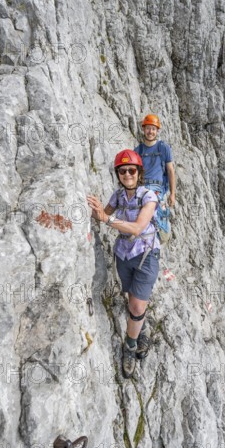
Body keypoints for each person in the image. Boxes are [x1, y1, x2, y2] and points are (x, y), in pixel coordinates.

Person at [87, 149, 160, 378]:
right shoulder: (118, 196)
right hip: (124, 255)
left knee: (137, 306)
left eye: (131, 170)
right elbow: (100, 215)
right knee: (133, 302)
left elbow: (137, 227)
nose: (127, 174)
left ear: (139, 173)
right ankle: (143, 329)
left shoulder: (149, 196)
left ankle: (129, 346)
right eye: (122, 170)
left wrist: (107, 219)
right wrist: (95, 210)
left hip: (146, 254)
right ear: (118, 174)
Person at [134, 115, 176, 240]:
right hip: (141, 187)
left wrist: (172, 194)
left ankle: (158, 235)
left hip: (157, 187)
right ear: (143, 129)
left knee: (153, 214)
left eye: (153, 129)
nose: (150, 131)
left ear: (157, 131)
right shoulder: (138, 150)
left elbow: (170, 171)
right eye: (148, 128)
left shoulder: (163, 147)